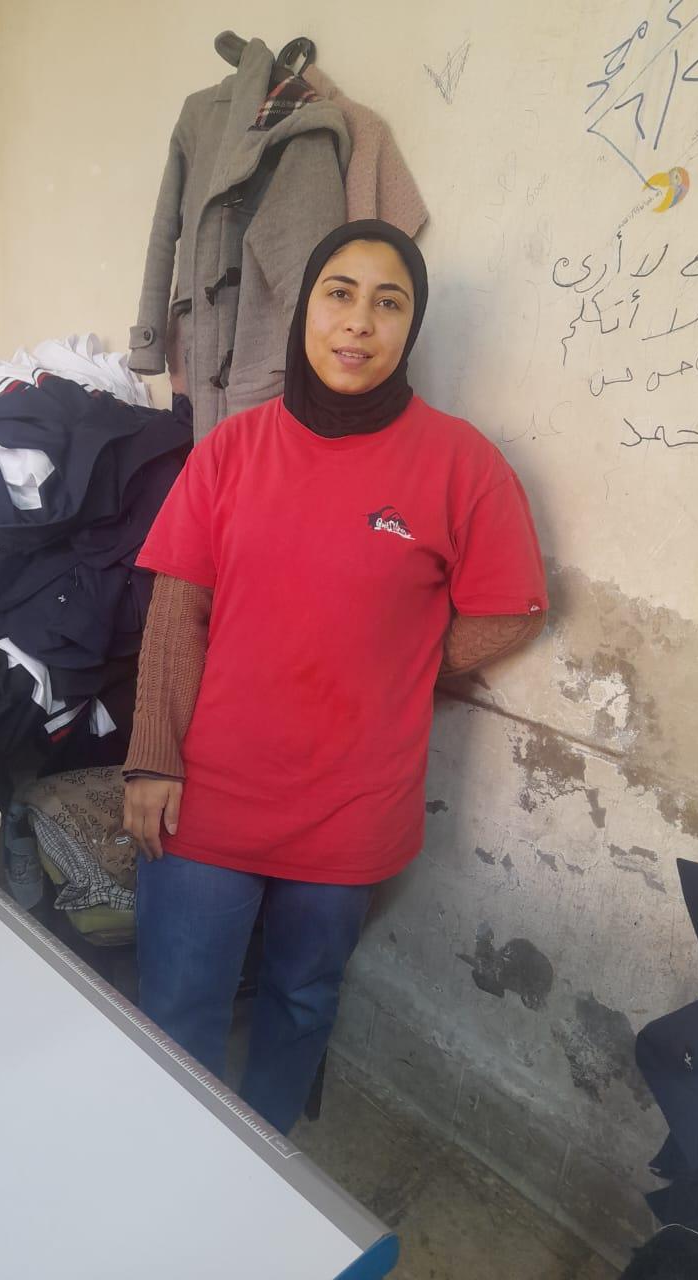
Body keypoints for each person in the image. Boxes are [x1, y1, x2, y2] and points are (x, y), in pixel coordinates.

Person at [122, 220, 547, 1135]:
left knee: (303, 1000)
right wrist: (152, 756)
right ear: (305, 310)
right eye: (339, 294)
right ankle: (175, 1168)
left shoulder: (462, 463)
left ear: (411, 326)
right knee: (178, 1011)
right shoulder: (232, 449)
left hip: (353, 803)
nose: (359, 322)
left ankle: (266, 1168)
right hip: (209, 794)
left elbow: (509, 609)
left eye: (388, 303)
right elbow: (176, 613)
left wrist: (402, 659)